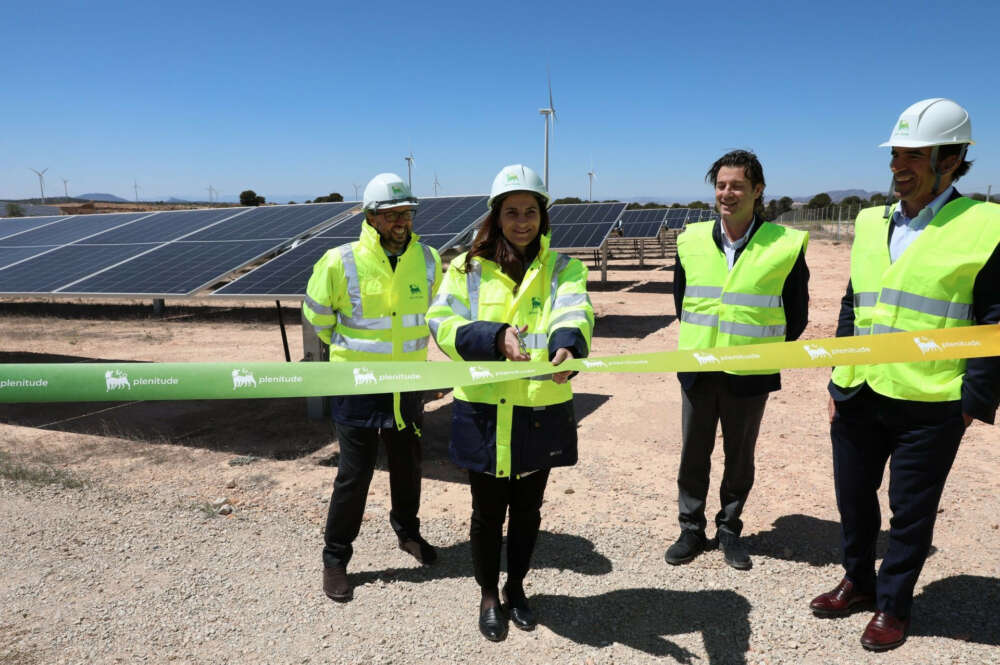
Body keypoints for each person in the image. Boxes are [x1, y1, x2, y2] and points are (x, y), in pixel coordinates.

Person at [810, 98, 1000, 652]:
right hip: (858, 390)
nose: (899, 166)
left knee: (909, 512)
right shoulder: (871, 221)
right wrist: (836, 376)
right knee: (853, 498)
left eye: (913, 155)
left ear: (952, 159)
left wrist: (975, 400)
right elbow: (854, 305)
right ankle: (858, 581)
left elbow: (994, 321)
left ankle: (893, 605)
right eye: (896, 154)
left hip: (932, 400)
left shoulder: (985, 227)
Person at [427, 164, 593, 641]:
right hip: (483, 409)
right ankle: (488, 595)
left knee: (528, 511)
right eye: (511, 212)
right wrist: (494, 335)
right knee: (486, 512)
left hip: (539, 408)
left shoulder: (565, 268)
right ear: (496, 217)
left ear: (543, 217)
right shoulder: (464, 269)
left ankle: (517, 587)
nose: (522, 221)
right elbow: (442, 324)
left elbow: (575, 310)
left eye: (530, 212)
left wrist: (568, 344)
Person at [304, 172, 442, 603]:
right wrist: (353, 357)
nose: (402, 221)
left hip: (408, 387)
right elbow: (318, 318)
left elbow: (440, 316)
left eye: (407, 213)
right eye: (392, 214)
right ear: (370, 217)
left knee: (407, 466)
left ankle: (408, 533)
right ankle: (335, 558)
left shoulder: (430, 259)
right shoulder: (339, 261)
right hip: (357, 386)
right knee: (354, 474)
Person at [668, 150, 809, 570]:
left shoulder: (784, 244)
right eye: (721, 185)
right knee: (693, 453)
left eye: (737, 186)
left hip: (749, 374)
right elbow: (682, 303)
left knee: (739, 457)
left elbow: (796, 316)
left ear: (758, 190)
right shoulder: (690, 239)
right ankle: (690, 529)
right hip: (697, 368)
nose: (727, 193)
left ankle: (729, 529)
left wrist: (755, 345)